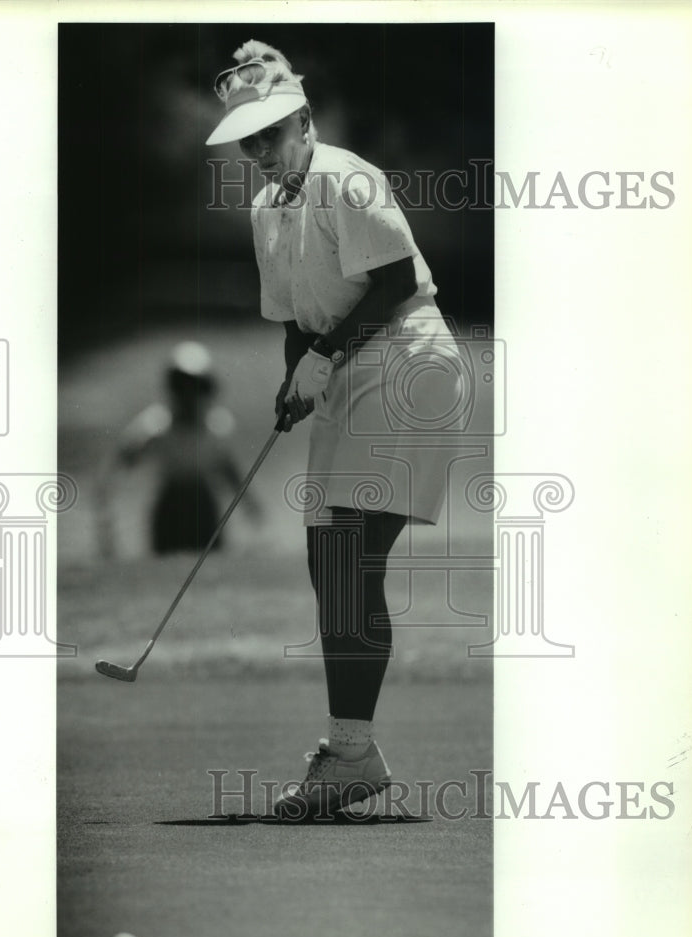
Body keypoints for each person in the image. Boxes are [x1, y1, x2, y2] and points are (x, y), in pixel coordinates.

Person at [206, 40, 461, 819]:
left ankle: (350, 756)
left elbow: (389, 280)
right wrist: (298, 380)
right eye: (247, 140)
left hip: (406, 362)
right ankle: (353, 752)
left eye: (271, 134)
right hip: (350, 372)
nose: (259, 151)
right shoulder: (263, 209)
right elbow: (293, 318)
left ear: (304, 121)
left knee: (349, 558)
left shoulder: (345, 178)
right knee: (330, 563)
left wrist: (319, 356)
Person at [96, 341, 261, 557]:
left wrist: (252, 509)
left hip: (205, 512)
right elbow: (119, 467)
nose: (189, 396)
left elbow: (230, 473)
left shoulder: (216, 426)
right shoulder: (155, 426)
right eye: (182, 387)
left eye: (196, 387)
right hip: (170, 512)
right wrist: (106, 516)